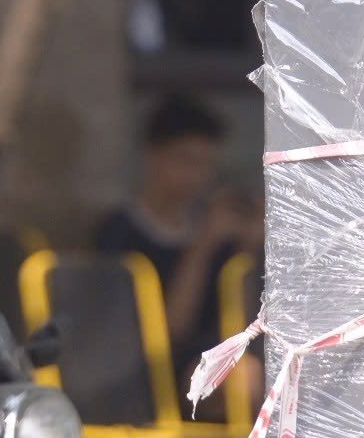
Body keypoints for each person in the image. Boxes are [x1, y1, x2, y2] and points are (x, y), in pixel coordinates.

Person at [94, 96, 261, 386]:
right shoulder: (119, 231)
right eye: (187, 161)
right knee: (241, 377)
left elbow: (240, 325)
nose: (197, 177)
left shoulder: (212, 226)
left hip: (212, 357)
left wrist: (245, 250)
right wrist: (201, 247)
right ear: (152, 156)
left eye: (207, 166)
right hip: (143, 372)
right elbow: (168, 332)